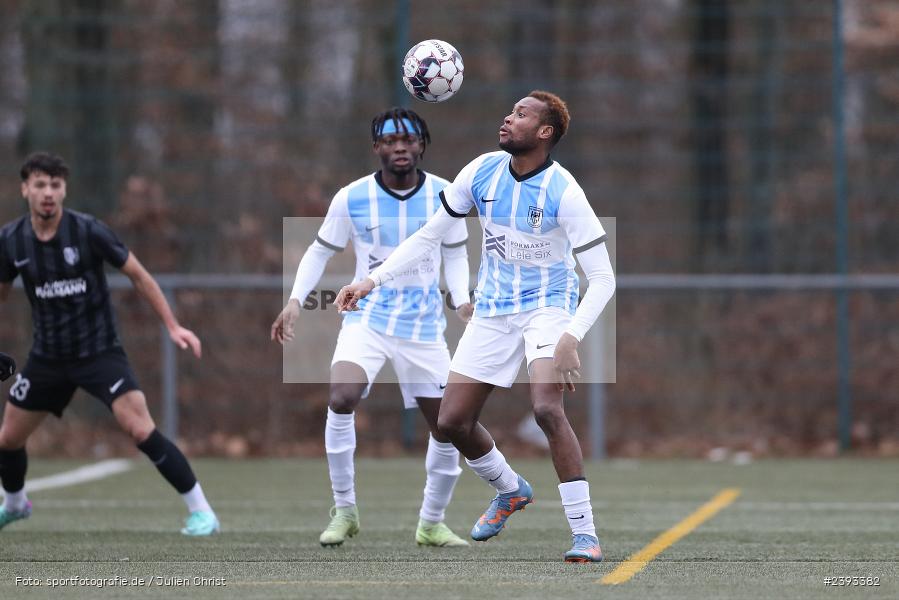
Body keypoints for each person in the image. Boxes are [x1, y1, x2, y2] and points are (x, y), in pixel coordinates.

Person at [335, 91, 616, 562]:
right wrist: (372, 279)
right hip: (492, 309)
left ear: (545, 133)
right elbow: (430, 234)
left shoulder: (564, 192)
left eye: (522, 115)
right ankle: (509, 489)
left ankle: (585, 534)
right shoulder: (482, 170)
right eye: (510, 110)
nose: (508, 118)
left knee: (547, 409)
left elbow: (604, 277)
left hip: (548, 307)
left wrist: (570, 337)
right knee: (450, 423)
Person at [271, 108, 473, 548]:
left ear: (422, 144)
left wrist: (461, 300)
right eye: (389, 140)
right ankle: (344, 511)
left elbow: (455, 253)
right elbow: (319, 251)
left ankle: (431, 523)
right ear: (376, 147)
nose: (399, 146)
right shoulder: (351, 197)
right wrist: (294, 301)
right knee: (341, 396)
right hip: (368, 321)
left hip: (423, 329)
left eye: (409, 139)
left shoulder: (445, 194)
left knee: (448, 425)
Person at [0, 152, 219, 536]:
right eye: (39, 184)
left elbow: (139, 275)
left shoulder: (88, 231)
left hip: (99, 352)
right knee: (8, 439)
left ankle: (202, 512)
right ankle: (15, 504)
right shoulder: (11, 240)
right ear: (25, 190)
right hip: (48, 357)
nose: (48, 193)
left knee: (140, 429)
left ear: (64, 190)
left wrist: (173, 326)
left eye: (55, 185)